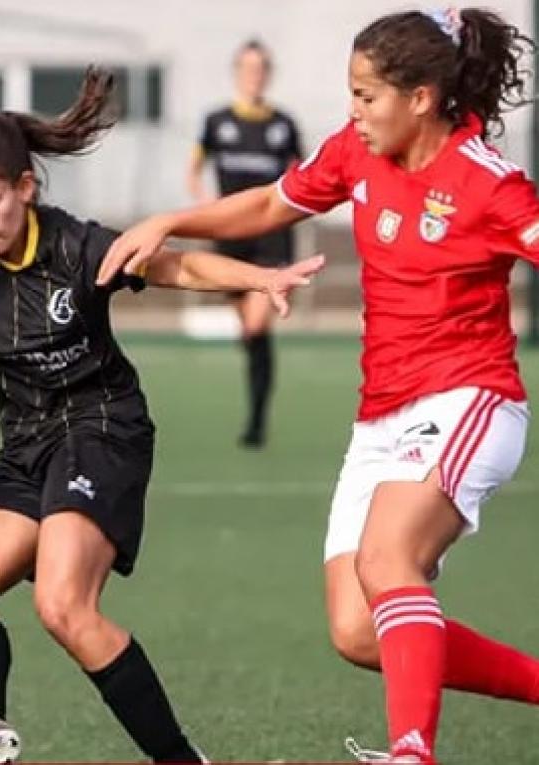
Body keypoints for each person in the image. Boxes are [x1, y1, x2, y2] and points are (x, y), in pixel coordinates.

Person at [0, 68, 322, 764]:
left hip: (102, 428)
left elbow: (177, 269)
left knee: (63, 605)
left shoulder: (77, 248)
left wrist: (259, 276)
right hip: (24, 442)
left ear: (26, 186)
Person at [98, 8, 539, 764]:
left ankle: (411, 751)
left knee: (385, 561)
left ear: (422, 98)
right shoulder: (355, 153)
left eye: (368, 96)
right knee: (357, 631)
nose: (353, 112)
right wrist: (172, 218)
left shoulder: (489, 185)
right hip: (381, 418)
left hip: (471, 398)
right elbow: (272, 202)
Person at [188, 39, 303, 448]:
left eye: (261, 68)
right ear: (238, 72)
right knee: (249, 333)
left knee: (256, 325)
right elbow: (194, 170)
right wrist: (208, 209)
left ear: (268, 73)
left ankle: (256, 422)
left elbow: (299, 179)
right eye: (248, 68)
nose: (254, 75)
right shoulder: (217, 121)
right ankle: (256, 408)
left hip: (272, 237)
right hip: (232, 237)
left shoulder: (283, 124)